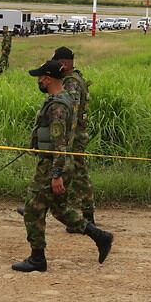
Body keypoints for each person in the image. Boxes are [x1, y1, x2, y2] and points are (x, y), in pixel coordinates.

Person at [12, 60, 113, 273]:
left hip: (52, 165)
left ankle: (37, 258)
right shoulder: (63, 99)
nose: (38, 81)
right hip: (57, 163)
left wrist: (56, 175)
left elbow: (60, 143)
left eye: (40, 77)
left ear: (47, 79)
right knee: (60, 209)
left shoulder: (58, 106)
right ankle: (100, 236)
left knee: (32, 209)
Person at [53, 46, 95, 227]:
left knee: (78, 174)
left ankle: (87, 216)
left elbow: (72, 110)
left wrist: (66, 138)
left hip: (74, 136)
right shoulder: (75, 77)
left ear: (64, 63)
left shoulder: (71, 82)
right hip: (76, 135)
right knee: (72, 172)